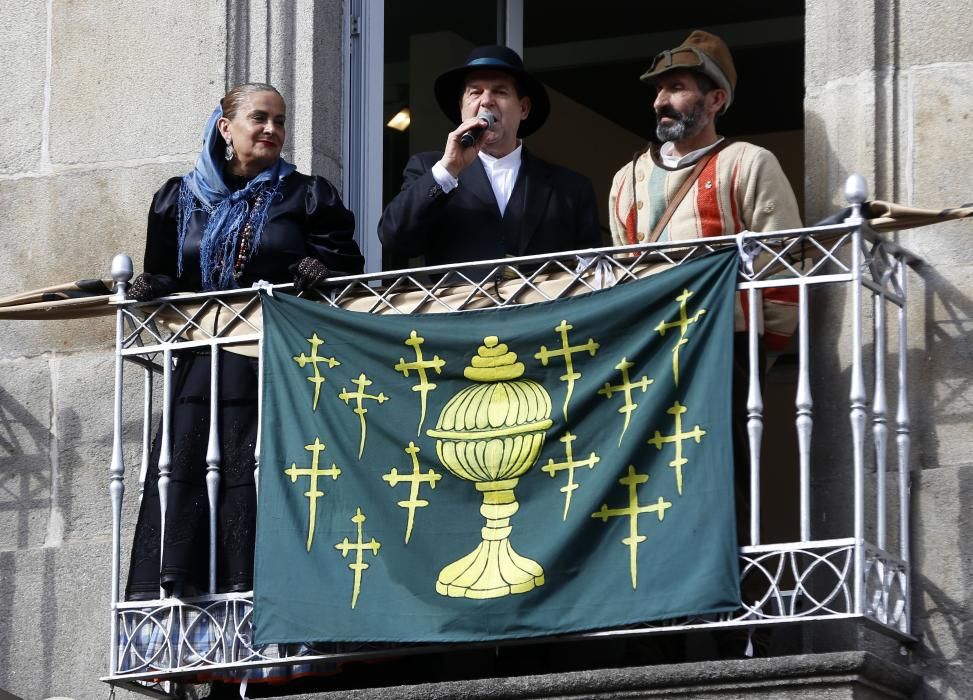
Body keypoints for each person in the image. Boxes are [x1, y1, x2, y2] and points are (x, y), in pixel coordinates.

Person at [125, 83, 364, 601]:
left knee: (260, 470)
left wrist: (317, 267)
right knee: (191, 467)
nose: (272, 130)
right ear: (225, 127)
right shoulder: (177, 198)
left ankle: (263, 596)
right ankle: (190, 599)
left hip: (276, 365)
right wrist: (155, 285)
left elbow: (348, 269)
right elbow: (165, 273)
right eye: (259, 118)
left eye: (279, 121)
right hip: (200, 363)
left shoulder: (307, 194)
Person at [608, 31, 803, 658]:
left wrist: (755, 354)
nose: (663, 100)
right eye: (659, 90)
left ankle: (733, 634)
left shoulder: (748, 164)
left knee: (724, 495)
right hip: (651, 367)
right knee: (649, 496)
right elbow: (620, 281)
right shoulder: (626, 180)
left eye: (678, 87)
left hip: (724, 361)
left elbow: (786, 277)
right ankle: (655, 633)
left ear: (715, 98)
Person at [378, 45, 601, 271]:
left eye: (500, 91)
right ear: (461, 108)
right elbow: (395, 238)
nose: (486, 101)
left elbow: (592, 274)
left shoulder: (571, 189)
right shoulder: (429, 169)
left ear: (523, 108)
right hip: (461, 306)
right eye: (475, 92)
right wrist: (448, 170)